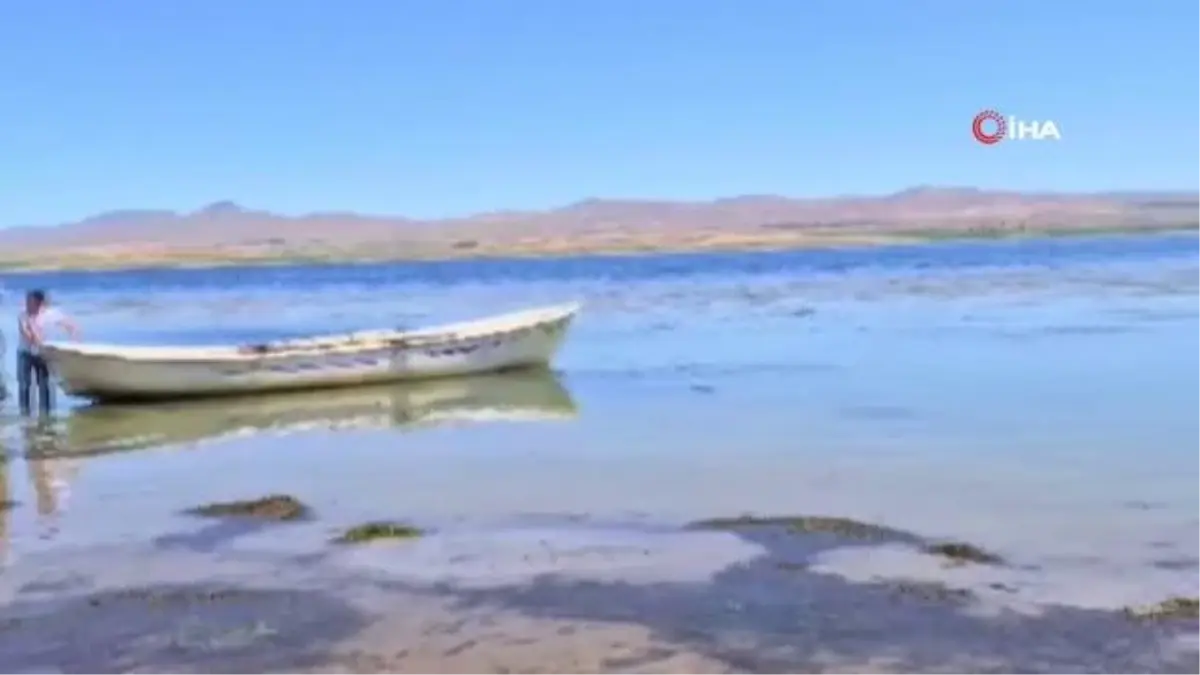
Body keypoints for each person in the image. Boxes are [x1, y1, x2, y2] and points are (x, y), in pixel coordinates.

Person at [16, 290, 78, 416]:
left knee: (45, 386)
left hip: (44, 354)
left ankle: (47, 415)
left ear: (39, 303)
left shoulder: (51, 314)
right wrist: (32, 328)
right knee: (24, 385)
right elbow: (28, 335)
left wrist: (74, 340)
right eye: (27, 301)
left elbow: (71, 325)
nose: (27, 304)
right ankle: (25, 413)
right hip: (25, 353)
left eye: (30, 301)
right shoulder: (23, 315)